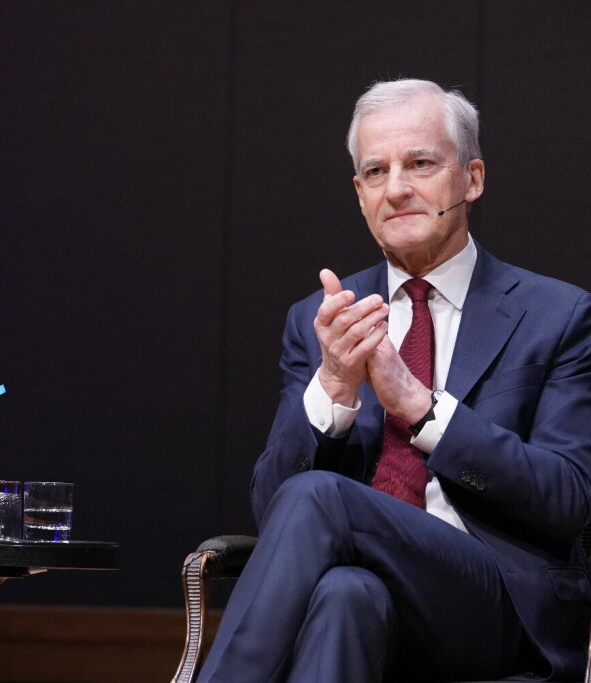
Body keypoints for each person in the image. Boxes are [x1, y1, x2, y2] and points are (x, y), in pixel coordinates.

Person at [197, 79, 591, 682]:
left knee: (321, 498)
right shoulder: (321, 321)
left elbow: (569, 498)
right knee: (346, 596)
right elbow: (272, 507)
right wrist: (334, 386)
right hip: (375, 601)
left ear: (472, 179)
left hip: (497, 604)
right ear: (360, 195)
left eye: (421, 164)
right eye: (376, 172)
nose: (397, 188)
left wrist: (421, 408)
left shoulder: (557, 315)